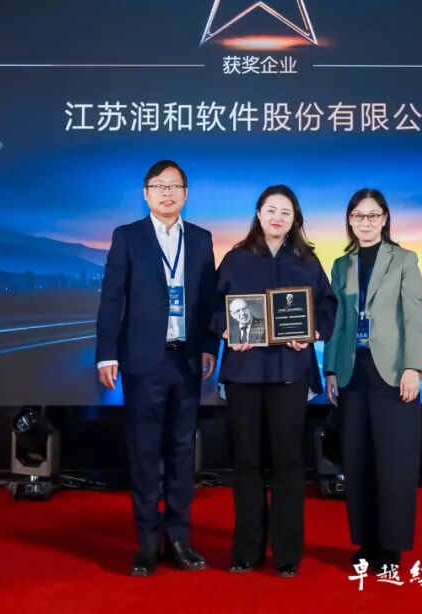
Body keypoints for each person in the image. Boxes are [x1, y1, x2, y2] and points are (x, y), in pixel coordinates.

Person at [96, 160, 219, 577]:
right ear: (145, 193)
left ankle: (179, 538)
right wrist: (107, 353)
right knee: (145, 451)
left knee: (183, 451)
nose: (167, 192)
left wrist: (209, 346)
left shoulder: (201, 239)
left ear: (186, 193)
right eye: (159, 186)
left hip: (187, 360)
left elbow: (208, 299)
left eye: (175, 186)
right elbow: (112, 298)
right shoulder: (128, 236)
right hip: (143, 361)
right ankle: (148, 542)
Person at [212, 185, 337, 578]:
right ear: (258, 214)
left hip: (289, 371)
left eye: (285, 212)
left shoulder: (308, 261)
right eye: (271, 210)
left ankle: (287, 553)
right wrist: (226, 330)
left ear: (295, 218)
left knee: (288, 461)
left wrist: (313, 332)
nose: (277, 218)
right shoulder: (236, 258)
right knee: (246, 461)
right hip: (244, 372)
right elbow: (211, 307)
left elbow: (328, 307)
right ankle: (246, 550)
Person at [323, 189, 422, 574]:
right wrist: (330, 369)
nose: (365, 222)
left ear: (384, 219)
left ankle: (391, 547)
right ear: (349, 221)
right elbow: (336, 322)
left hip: (394, 373)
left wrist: (413, 367)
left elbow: (413, 315)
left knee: (395, 461)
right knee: (358, 459)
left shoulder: (404, 259)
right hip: (352, 372)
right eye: (358, 216)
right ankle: (366, 542)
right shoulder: (341, 264)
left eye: (372, 215)